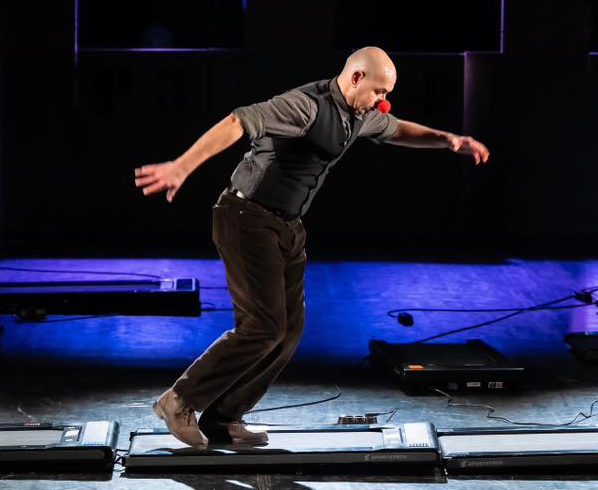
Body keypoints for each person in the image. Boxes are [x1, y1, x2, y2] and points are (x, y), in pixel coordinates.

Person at [134, 46, 490, 449]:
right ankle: (179, 400)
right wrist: (182, 165)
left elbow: (396, 129)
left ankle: (225, 417)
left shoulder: (359, 114)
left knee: (289, 330)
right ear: (356, 78)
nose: (383, 101)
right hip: (246, 217)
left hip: (288, 225)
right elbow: (238, 121)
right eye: (379, 91)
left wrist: (448, 140)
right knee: (264, 327)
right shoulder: (306, 106)